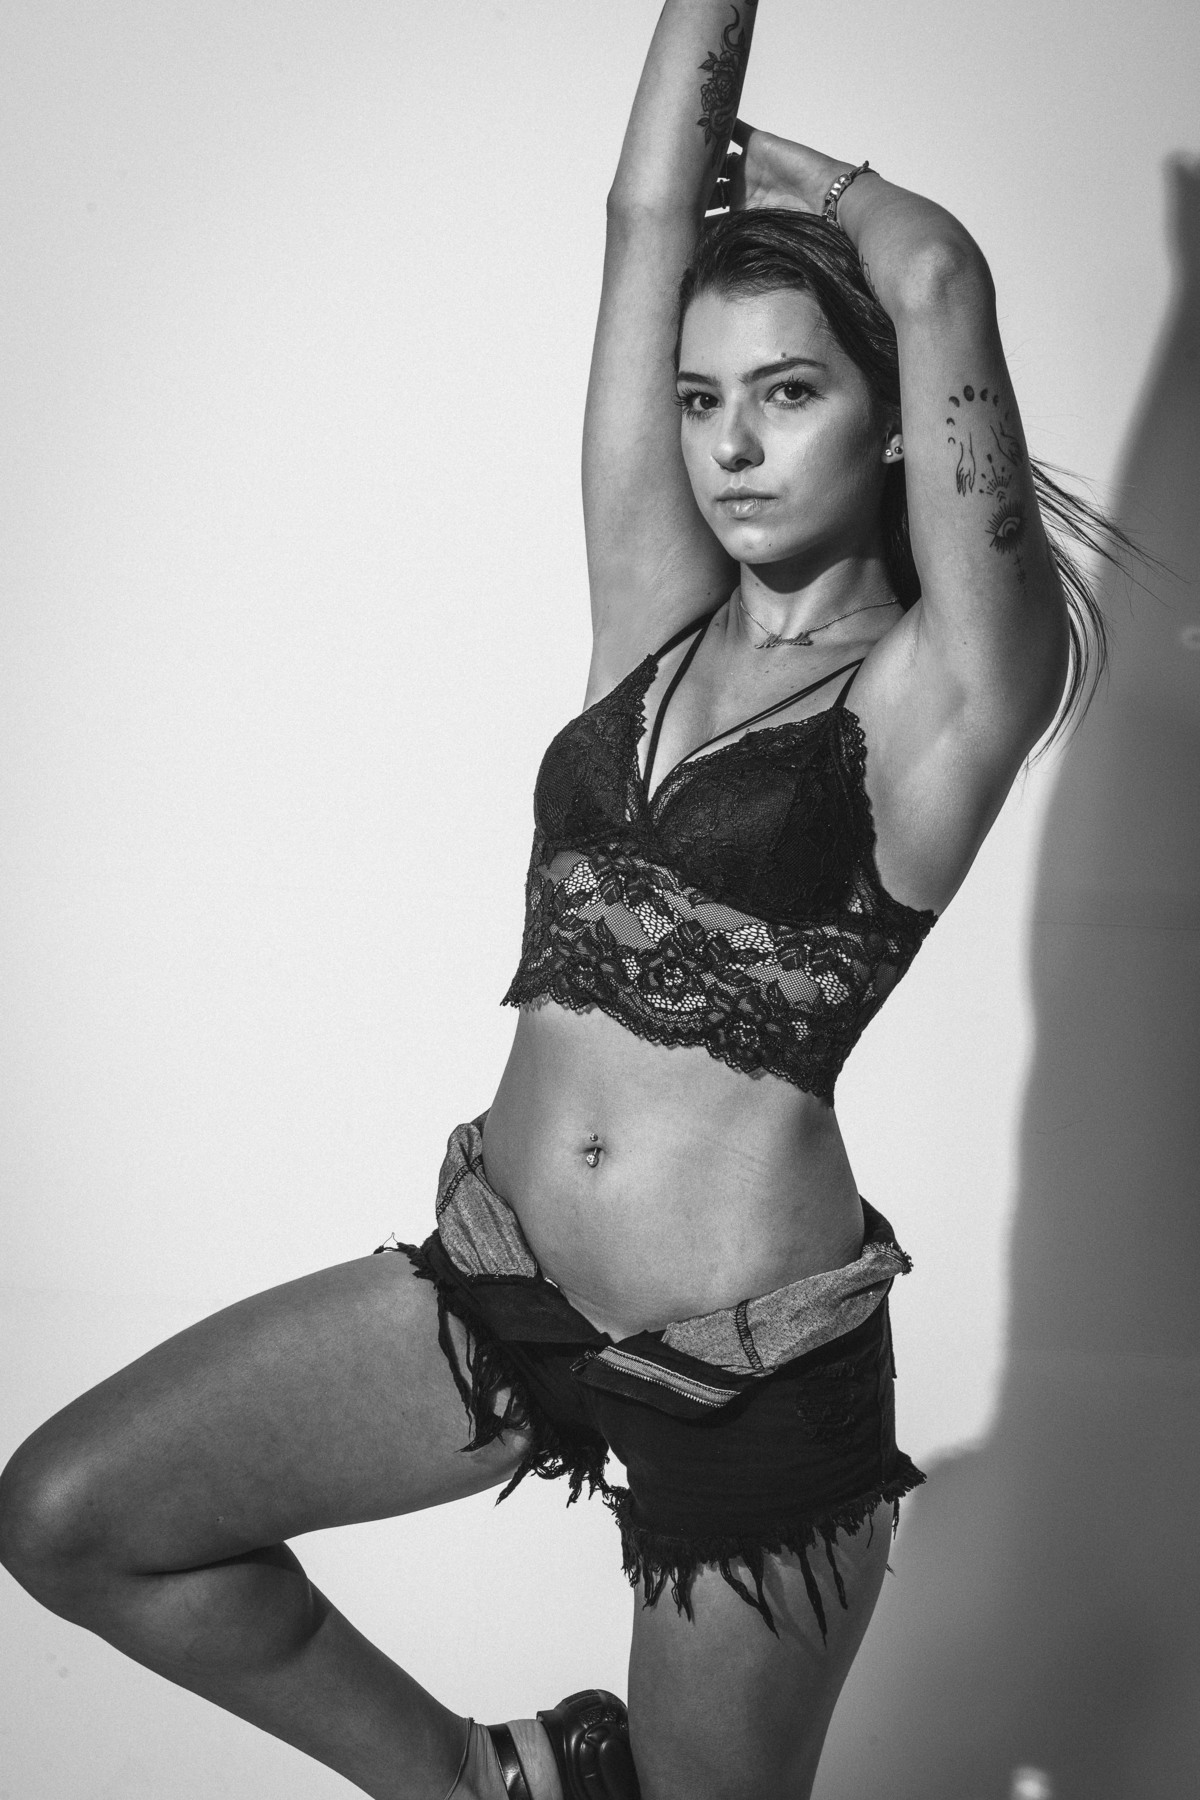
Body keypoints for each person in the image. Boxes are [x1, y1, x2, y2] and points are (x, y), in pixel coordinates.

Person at [0, 4, 1121, 1798]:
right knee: (73, 1514)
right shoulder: (654, 615)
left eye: (789, 391)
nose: (731, 446)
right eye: (702, 398)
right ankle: (479, 1785)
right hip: (506, 1287)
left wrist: (820, 183)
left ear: (896, 425)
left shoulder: (945, 695)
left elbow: (939, 281)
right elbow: (641, 213)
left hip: (750, 1377)